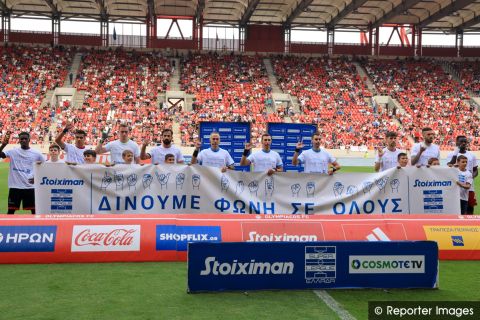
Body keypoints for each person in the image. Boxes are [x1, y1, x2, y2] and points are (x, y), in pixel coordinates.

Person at [0, 132, 45, 214]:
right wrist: (3, 145)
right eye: (22, 139)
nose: (24, 140)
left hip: (29, 187)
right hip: (15, 187)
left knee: (34, 211)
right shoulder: (13, 151)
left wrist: (37, 178)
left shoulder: (36, 153)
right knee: (10, 211)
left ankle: (35, 226)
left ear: (29, 140)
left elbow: (45, 166)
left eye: (25, 139)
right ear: (19, 140)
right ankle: (8, 227)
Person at [446, 135, 478, 214]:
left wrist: (469, 179)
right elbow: (449, 166)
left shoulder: (472, 155)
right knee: (456, 209)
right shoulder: (451, 154)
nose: (463, 143)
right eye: (461, 141)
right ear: (456, 142)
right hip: (455, 186)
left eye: (465, 142)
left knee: (470, 208)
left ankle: (470, 225)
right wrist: (455, 154)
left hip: (469, 187)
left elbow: (475, 171)